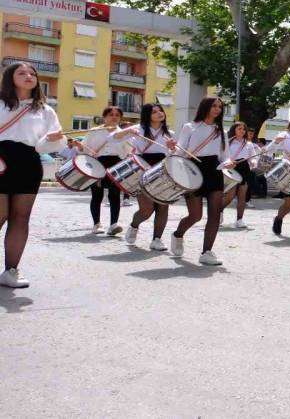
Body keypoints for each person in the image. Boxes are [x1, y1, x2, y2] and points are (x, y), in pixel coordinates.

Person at [0, 62, 66, 288]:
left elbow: (48, 144)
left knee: (21, 217)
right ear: (10, 78)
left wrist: (53, 139)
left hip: (29, 162)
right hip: (0, 160)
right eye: (22, 73)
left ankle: (11, 271)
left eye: (32, 73)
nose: (29, 76)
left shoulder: (45, 110)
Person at [169, 96, 234, 265]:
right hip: (192, 170)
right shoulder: (189, 127)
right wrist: (172, 148)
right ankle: (177, 234)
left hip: (214, 171)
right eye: (214, 106)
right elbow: (180, 150)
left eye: (220, 107)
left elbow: (224, 157)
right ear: (205, 107)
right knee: (195, 215)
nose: (217, 109)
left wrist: (229, 163)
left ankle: (206, 252)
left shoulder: (222, 132)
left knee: (214, 213)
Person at [114, 103, 177, 249]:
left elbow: (175, 155)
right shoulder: (138, 129)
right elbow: (113, 138)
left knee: (163, 206)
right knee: (146, 210)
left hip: (163, 171)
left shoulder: (170, 134)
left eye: (160, 110)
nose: (159, 113)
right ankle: (134, 226)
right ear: (147, 115)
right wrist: (126, 131)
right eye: (154, 112)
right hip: (143, 171)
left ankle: (157, 240)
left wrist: (172, 148)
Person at [74, 106, 128, 236]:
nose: (114, 117)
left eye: (117, 115)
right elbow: (85, 149)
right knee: (97, 195)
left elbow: (128, 152)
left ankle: (113, 225)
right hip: (98, 163)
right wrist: (79, 146)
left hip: (116, 164)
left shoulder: (124, 133)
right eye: (111, 114)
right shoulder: (94, 131)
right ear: (104, 117)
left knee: (115, 195)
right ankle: (96, 224)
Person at [220, 121, 258, 230]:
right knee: (230, 196)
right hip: (232, 169)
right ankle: (219, 211)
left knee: (242, 196)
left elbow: (253, 157)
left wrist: (253, 162)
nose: (242, 131)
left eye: (243, 129)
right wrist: (227, 163)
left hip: (244, 169)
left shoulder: (249, 144)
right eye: (239, 128)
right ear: (234, 130)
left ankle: (239, 220)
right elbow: (222, 157)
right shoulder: (228, 142)